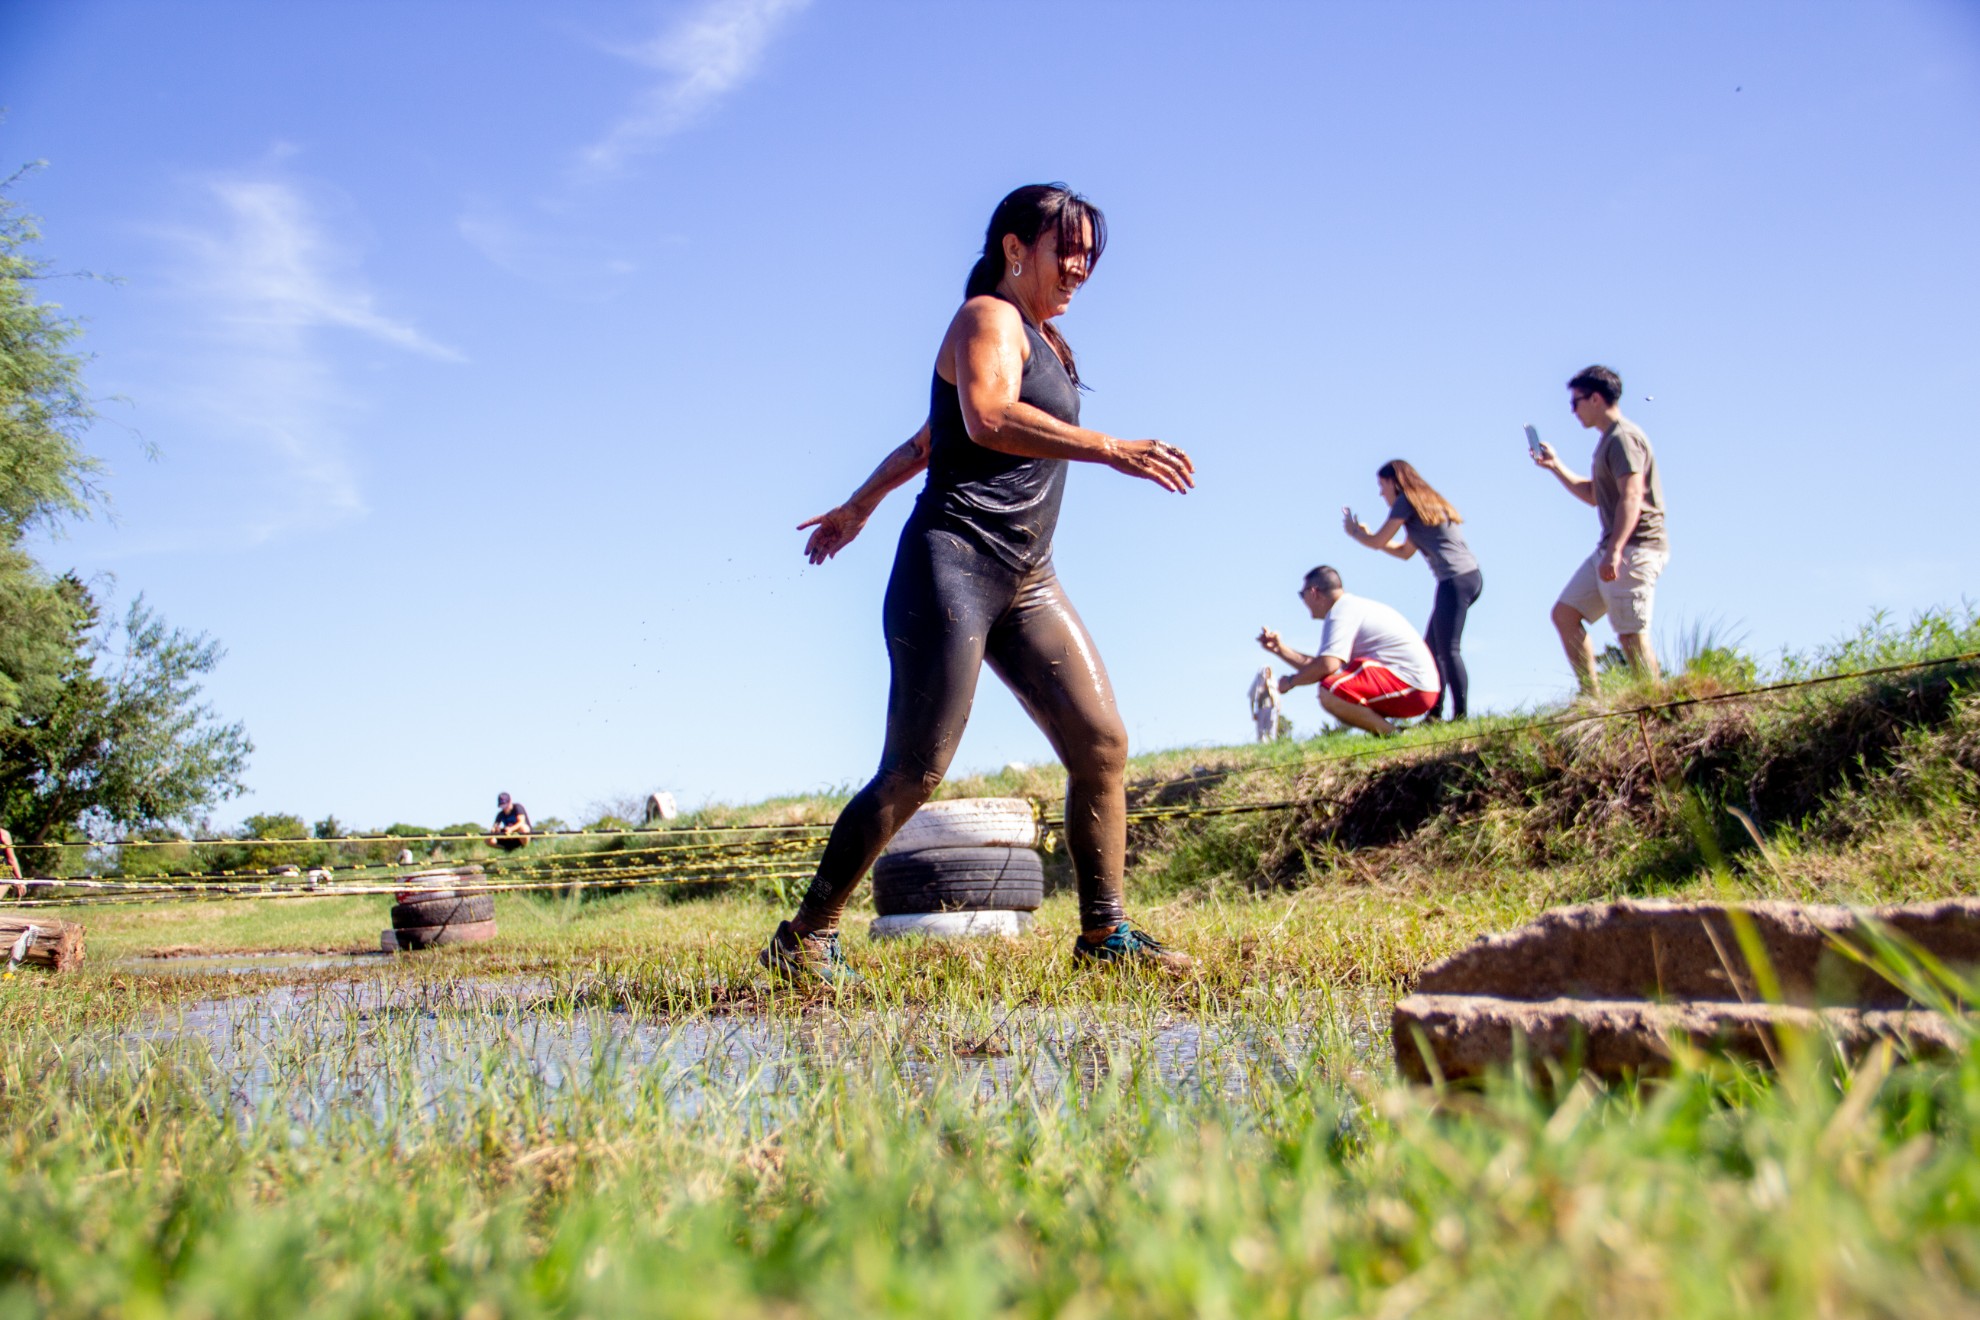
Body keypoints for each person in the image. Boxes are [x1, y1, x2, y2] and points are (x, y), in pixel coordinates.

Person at [768, 184, 1197, 983]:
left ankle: (1106, 937)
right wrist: (1111, 447)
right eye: (1065, 249)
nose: (1080, 267)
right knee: (915, 769)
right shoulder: (987, 319)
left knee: (1100, 743)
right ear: (1013, 249)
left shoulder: (1044, 339)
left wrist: (860, 501)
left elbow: (932, 436)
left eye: (1090, 256)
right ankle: (807, 936)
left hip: (1027, 576)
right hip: (954, 566)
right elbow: (984, 419)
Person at [1531, 365, 1668, 691]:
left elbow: (1632, 495)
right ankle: (1591, 698)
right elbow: (1595, 495)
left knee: (1631, 634)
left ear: (1595, 398)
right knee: (1565, 614)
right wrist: (1555, 467)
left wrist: (1617, 550)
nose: (1573, 410)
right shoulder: (1608, 441)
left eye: (1575, 402)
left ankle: (1655, 704)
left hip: (1634, 548)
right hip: (1611, 548)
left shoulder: (1624, 438)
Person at [1341, 459, 1483, 721]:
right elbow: (1405, 552)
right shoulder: (1424, 501)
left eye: (1381, 485)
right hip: (1468, 577)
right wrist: (1371, 537)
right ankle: (1435, 715)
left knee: (1448, 648)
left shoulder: (1404, 502)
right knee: (1432, 649)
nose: (1380, 493)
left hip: (1454, 579)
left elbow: (1377, 541)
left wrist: (1355, 533)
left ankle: (1460, 716)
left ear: (1394, 482)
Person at [1257, 566, 1439, 737]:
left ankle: (1396, 735)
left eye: (1301, 595)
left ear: (1313, 592)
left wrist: (1291, 682)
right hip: (1417, 687)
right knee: (1336, 685)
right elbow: (1323, 666)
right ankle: (1393, 733)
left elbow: (1326, 666)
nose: (1303, 601)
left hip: (1414, 688)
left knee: (1331, 691)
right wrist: (1280, 650)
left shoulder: (1340, 611)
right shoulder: (1349, 607)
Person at [1248, 666, 1282, 742]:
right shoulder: (1257, 685)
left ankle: (1271, 744)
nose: (1266, 674)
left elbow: (1277, 697)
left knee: (1271, 728)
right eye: (1265, 672)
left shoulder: (1273, 683)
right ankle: (1262, 744)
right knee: (1260, 730)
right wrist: (1253, 713)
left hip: (1272, 708)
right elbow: (1252, 698)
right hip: (1261, 709)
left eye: (1268, 672)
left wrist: (1278, 708)